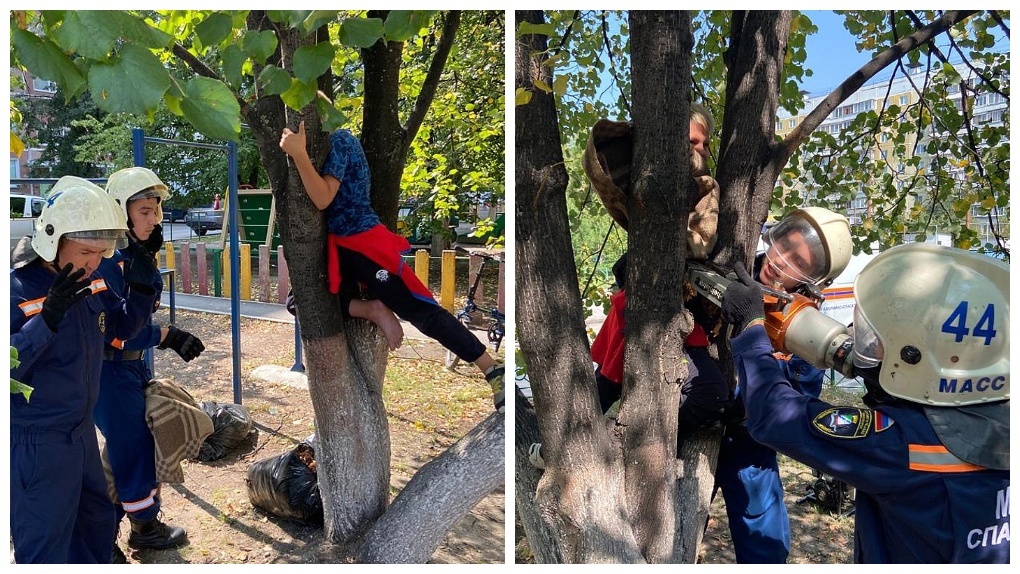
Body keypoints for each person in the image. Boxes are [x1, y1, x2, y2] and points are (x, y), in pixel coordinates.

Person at [720, 243, 1009, 563]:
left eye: (876, 341)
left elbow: (773, 414)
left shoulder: (902, 444)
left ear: (915, 357)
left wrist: (750, 326)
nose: (863, 346)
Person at [279, 122, 504, 412]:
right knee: (300, 301)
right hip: (340, 247)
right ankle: (373, 309)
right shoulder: (328, 147)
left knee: (418, 308)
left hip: (364, 243)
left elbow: (323, 198)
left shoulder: (342, 141)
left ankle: (490, 368)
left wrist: (298, 154)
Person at [10, 176, 157, 563]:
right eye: (87, 251)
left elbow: (122, 329)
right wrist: (46, 321)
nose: (95, 263)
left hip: (81, 433)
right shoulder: (17, 292)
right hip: (37, 442)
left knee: (95, 524)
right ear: (53, 239)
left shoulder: (89, 280)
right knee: (45, 543)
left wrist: (142, 286)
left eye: (101, 253)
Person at [714, 206, 852, 563]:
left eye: (799, 263)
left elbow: (797, 408)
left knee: (765, 544)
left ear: (813, 279)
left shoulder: (806, 332)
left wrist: (744, 407)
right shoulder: (725, 267)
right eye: (784, 246)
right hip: (686, 427)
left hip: (748, 444)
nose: (781, 261)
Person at [93, 167, 205, 558]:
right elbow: (116, 331)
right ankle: (124, 535)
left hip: (132, 366)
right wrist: (165, 336)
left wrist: (161, 336)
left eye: (156, 209)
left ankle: (135, 526)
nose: (154, 218)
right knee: (131, 447)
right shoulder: (108, 262)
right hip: (109, 371)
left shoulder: (137, 256)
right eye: (144, 210)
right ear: (121, 213)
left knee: (129, 448)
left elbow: (135, 319)